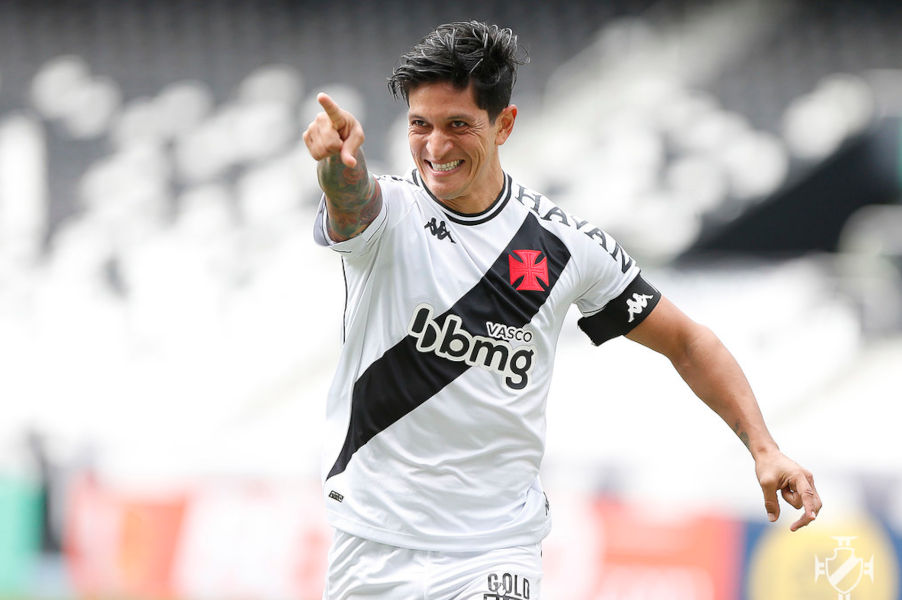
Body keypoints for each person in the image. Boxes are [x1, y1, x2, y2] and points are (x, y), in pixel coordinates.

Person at [303, 20, 822, 599]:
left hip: (494, 550)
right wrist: (339, 169)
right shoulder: (392, 214)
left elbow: (687, 340)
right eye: (420, 125)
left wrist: (764, 448)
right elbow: (351, 203)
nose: (436, 147)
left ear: (505, 124)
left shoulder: (564, 245)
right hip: (371, 544)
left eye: (458, 125)